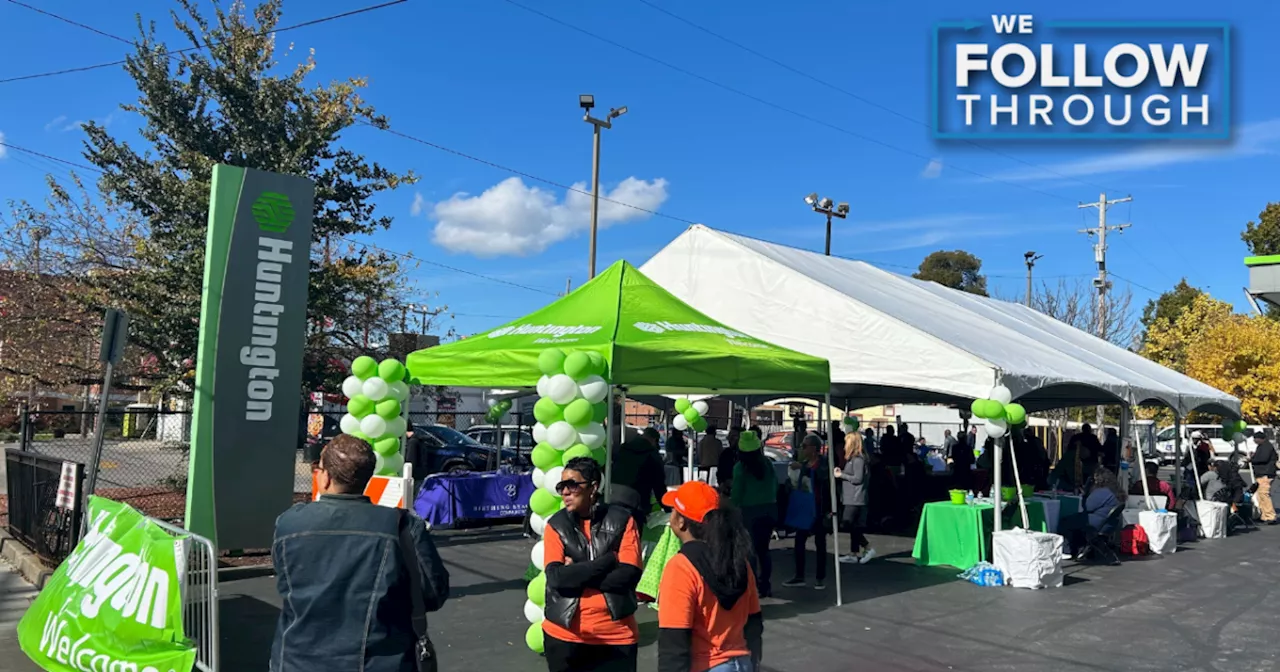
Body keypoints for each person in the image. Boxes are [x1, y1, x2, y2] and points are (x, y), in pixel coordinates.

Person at [271, 435, 450, 672]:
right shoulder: (403, 527)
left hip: (298, 660)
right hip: (381, 660)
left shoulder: (289, 524)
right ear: (367, 479)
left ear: (325, 478)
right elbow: (434, 592)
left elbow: (285, 578)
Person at [542, 457, 643, 672]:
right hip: (564, 636)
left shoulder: (623, 520)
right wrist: (608, 561)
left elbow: (628, 576)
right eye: (561, 487)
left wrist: (576, 572)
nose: (565, 492)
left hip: (616, 637)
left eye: (572, 485)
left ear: (593, 487)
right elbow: (557, 579)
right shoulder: (556, 526)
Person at [657, 481, 763, 672]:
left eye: (673, 510)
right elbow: (754, 622)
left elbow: (673, 641)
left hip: (706, 664)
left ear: (681, 522)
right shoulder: (739, 561)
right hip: (742, 663)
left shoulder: (681, 567)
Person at [730, 431, 778, 598]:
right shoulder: (768, 464)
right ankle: (766, 585)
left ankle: (750, 587)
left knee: (748, 552)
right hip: (769, 510)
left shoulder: (740, 468)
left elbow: (736, 494)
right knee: (764, 550)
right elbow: (775, 486)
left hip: (748, 512)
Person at [783, 434, 832, 589]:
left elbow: (822, 479)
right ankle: (799, 575)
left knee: (820, 543)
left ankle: (820, 577)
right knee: (799, 541)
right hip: (805, 507)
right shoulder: (803, 464)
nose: (802, 449)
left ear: (814, 448)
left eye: (805, 446)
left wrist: (829, 510)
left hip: (819, 508)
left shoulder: (823, 464)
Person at [1058, 466, 1124, 557]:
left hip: (1096, 522)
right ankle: (1079, 548)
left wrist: (1086, 493)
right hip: (1108, 523)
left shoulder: (1103, 492)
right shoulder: (1115, 491)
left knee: (1065, 522)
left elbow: (1087, 507)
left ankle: (1066, 551)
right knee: (1075, 520)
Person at [609, 427, 668, 529]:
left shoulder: (622, 449)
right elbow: (659, 486)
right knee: (633, 536)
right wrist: (667, 508)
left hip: (612, 495)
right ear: (654, 440)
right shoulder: (652, 455)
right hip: (636, 502)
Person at [834, 433, 874, 564]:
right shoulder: (853, 459)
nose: (845, 446)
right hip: (851, 497)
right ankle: (853, 552)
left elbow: (858, 478)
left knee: (848, 523)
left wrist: (841, 475)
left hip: (856, 498)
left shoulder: (858, 459)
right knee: (853, 525)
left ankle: (867, 547)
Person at [1249, 430, 1277, 524]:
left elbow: (1263, 458)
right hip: (1263, 473)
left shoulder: (1266, 447)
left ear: (1261, 439)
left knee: (1264, 495)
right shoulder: (1263, 446)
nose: (1254, 441)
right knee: (1260, 495)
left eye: (1255, 439)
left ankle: (1270, 516)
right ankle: (1264, 515)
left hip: (1265, 473)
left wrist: (1252, 459)